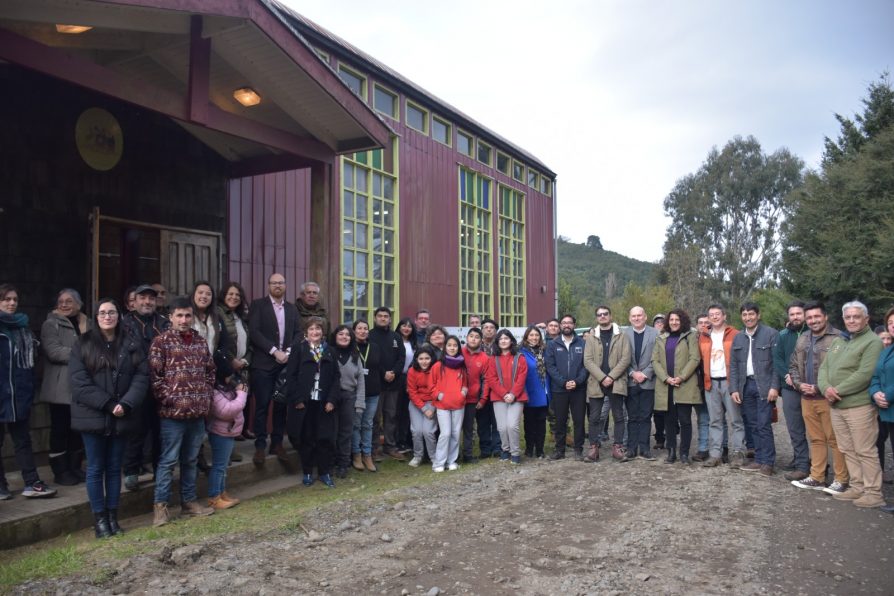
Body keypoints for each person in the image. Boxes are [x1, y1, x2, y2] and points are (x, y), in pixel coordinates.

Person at [70, 298, 148, 537]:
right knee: (95, 468)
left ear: (118, 316)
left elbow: (141, 377)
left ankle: (113, 517)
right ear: (96, 317)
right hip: (92, 416)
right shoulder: (82, 344)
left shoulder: (131, 344)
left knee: (115, 468)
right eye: (102, 312)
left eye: (112, 312)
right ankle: (100, 520)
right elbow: (79, 383)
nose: (107, 316)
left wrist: (125, 404)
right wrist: (108, 404)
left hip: (121, 415)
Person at [149, 296, 216, 526]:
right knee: (168, 461)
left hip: (197, 414)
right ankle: (161, 506)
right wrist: (170, 399)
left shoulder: (199, 342)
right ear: (171, 317)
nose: (184, 320)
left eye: (188, 315)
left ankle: (189, 502)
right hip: (172, 416)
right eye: (179, 315)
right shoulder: (161, 343)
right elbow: (155, 379)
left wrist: (205, 397)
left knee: (190, 461)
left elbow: (210, 372)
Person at [818, 301, 885, 508]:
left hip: (859, 406)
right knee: (847, 448)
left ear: (866, 319)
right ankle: (857, 487)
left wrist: (836, 390)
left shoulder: (872, 342)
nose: (852, 320)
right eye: (848, 317)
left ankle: (874, 493)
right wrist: (826, 388)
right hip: (837, 406)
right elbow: (824, 369)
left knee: (864, 449)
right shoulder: (840, 341)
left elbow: (865, 374)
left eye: (856, 316)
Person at [0, 284, 57, 500]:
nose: (12, 303)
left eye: (14, 299)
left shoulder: (23, 328)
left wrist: (28, 389)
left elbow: (31, 363)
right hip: (1, 393)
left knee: (23, 440)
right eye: (6, 299)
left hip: (20, 394)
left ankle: (32, 482)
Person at [788, 301, 849, 494]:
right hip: (807, 398)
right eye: (810, 318)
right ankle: (817, 477)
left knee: (835, 439)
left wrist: (821, 387)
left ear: (825, 317)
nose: (813, 321)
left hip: (829, 398)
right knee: (815, 439)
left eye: (817, 317)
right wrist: (799, 385)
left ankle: (841, 479)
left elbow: (844, 370)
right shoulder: (803, 339)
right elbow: (793, 366)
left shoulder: (839, 338)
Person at [121, 284, 170, 491]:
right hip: (135, 384)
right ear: (135, 301)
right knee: (135, 430)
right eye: (142, 298)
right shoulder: (125, 323)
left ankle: (160, 469)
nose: (147, 302)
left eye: (151, 298)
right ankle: (131, 470)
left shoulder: (164, 323)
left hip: (161, 385)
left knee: (160, 431)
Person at [40, 288, 89, 486]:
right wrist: (83, 352)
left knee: (76, 429)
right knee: (60, 429)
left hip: (81, 386)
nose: (64, 304)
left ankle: (75, 467)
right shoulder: (51, 324)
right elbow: (54, 352)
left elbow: (96, 348)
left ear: (78, 304)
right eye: (61, 301)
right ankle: (60, 470)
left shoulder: (87, 323)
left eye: (69, 301)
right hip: (60, 387)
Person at [248, 273, 299, 466]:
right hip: (263, 364)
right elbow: (254, 332)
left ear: (285, 286)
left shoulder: (292, 309)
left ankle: (277, 443)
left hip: (285, 365)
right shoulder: (258, 305)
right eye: (274, 283)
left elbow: (298, 333)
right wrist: (274, 351)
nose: (278, 286)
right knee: (261, 406)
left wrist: (287, 351)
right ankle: (260, 445)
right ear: (268, 285)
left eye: (281, 283)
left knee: (281, 406)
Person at [286, 317, 340, 487]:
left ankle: (324, 473)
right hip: (305, 402)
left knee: (325, 438)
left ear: (322, 332)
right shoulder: (298, 349)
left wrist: (332, 399)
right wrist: (298, 399)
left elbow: (335, 378)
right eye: (311, 329)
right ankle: (308, 472)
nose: (315, 332)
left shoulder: (330, 351)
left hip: (324, 403)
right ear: (306, 332)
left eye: (318, 329)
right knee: (307, 438)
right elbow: (291, 376)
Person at [730, 302, 780, 476]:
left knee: (763, 424)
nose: (748, 318)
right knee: (752, 424)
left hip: (764, 385)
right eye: (744, 315)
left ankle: (768, 462)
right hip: (745, 386)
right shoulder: (738, 337)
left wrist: (775, 387)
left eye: (751, 314)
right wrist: (734, 389)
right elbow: (734, 365)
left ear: (758, 315)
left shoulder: (771, 334)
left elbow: (776, 364)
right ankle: (758, 459)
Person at [653, 309, 702, 464]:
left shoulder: (690, 336)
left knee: (685, 420)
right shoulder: (661, 338)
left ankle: (684, 453)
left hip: (685, 384)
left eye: (677, 320)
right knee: (669, 421)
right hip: (666, 385)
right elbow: (655, 361)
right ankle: (671, 451)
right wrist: (666, 378)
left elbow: (695, 358)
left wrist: (681, 377)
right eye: (671, 319)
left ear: (682, 321)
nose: (674, 322)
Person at [583, 306, 632, 462]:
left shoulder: (622, 336)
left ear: (610, 316)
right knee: (594, 417)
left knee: (619, 416)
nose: (602, 316)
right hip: (597, 383)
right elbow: (588, 361)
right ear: (597, 318)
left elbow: (625, 359)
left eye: (605, 314)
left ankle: (617, 447)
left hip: (616, 382)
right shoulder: (591, 338)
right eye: (599, 315)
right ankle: (593, 448)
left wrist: (611, 376)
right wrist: (602, 377)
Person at [699, 304, 745, 468]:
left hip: (729, 382)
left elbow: (741, 360)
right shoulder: (704, 336)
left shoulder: (736, 334)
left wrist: (737, 385)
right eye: (711, 314)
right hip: (711, 383)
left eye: (718, 314)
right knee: (715, 421)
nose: (715, 317)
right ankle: (715, 454)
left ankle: (738, 453)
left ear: (724, 316)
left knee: (736, 420)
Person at [772, 301, 810, 481]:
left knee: (816, 429)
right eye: (792, 314)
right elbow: (777, 359)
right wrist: (787, 376)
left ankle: (817, 464)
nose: (795, 317)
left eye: (798, 313)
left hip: (812, 388)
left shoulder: (812, 334)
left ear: (805, 315)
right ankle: (802, 463)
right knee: (795, 428)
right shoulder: (783, 335)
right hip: (789, 388)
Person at [545, 314, 588, 460]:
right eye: (564, 323)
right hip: (559, 389)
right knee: (560, 420)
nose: (567, 325)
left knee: (579, 420)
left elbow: (586, 366)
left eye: (570, 322)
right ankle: (560, 450)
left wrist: (577, 381)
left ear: (574, 325)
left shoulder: (582, 343)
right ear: (560, 326)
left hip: (579, 389)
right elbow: (550, 367)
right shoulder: (552, 344)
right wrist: (563, 382)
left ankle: (578, 450)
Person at [217, 281, 251, 461]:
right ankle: (224, 453)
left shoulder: (241, 318)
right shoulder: (218, 314)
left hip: (241, 368)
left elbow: (248, 344)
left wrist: (244, 361)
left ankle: (230, 449)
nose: (234, 297)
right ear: (223, 295)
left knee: (236, 412)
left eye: (237, 295)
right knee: (224, 412)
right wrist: (232, 361)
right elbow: (219, 343)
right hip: (225, 369)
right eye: (230, 294)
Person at [205, 370, 246, 509]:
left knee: (222, 467)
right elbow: (227, 410)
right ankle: (214, 497)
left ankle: (221, 493)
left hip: (228, 431)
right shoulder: (215, 391)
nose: (232, 378)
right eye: (229, 375)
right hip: (220, 432)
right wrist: (241, 393)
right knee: (218, 466)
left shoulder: (226, 389)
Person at [369, 307, 407, 461]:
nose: (383, 318)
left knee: (391, 415)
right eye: (380, 316)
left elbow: (402, 358)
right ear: (375, 318)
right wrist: (383, 372)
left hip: (393, 384)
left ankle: (390, 446)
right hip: (376, 384)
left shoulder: (396, 337)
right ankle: (375, 447)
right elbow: (371, 359)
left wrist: (394, 372)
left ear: (390, 319)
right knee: (375, 417)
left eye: (386, 316)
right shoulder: (370, 336)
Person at [486, 329, 528, 464]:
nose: (503, 341)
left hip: (517, 396)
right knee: (502, 427)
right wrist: (504, 394)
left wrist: (513, 394)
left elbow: (522, 378)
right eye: (501, 339)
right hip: (499, 397)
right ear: (497, 342)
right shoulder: (493, 359)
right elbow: (491, 379)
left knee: (512, 425)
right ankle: (505, 449)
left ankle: (515, 452)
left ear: (511, 341)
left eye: (506, 338)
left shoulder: (519, 357)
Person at [329, 325, 365, 475]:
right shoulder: (328, 353)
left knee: (346, 432)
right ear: (335, 336)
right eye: (341, 334)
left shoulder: (355, 356)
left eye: (347, 335)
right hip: (330, 397)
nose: (344, 337)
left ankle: (343, 463)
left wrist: (360, 403)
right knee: (331, 431)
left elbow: (361, 381)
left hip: (349, 397)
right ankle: (330, 462)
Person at [624, 306, 658, 460]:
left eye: (639, 315)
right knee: (632, 417)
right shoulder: (623, 335)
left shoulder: (655, 333)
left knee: (645, 416)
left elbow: (657, 358)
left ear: (645, 317)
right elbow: (620, 359)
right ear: (630, 318)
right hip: (630, 381)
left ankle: (644, 448)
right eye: (634, 316)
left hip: (648, 381)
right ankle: (631, 448)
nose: (637, 318)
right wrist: (632, 372)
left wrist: (645, 374)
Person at [869, 306, 894, 513]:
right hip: (886, 410)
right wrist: (875, 392)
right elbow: (876, 375)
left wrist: (887, 394)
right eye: (891, 323)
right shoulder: (887, 351)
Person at [430, 335, 468, 471]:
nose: (452, 348)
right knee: (445, 433)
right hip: (443, 405)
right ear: (445, 347)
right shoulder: (437, 365)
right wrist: (439, 396)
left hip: (458, 404)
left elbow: (465, 384)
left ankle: (451, 460)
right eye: (449, 345)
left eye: (455, 345)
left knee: (455, 433)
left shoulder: (461, 366)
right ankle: (439, 463)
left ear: (458, 348)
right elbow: (431, 385)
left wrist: (462, 393)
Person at [353, 320, 382, 471]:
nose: (363, 331)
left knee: (368, 424)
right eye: (359, 328)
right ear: (354, 331)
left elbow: (379, 367)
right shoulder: (351, 347)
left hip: (373, 392)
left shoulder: (375, 347)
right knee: (356, 425)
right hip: (357, 392)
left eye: (365, 328)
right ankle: (356, 455)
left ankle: (367, 455)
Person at [520, 326, 550, 459]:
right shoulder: (521, 352)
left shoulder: (545, 351)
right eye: (531, 335)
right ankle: (529, 448)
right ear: (526, 337)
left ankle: (540, 449)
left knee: (541, 423)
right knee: (529, 423)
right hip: (529, 391)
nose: (534, 338)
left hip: (544, 392)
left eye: (536, 335)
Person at [406, 345, 438, 467]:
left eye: (427, 358)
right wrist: (424, 409)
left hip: (432, 403)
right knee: (416, 431)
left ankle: (434, 457)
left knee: (428, 431)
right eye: (421, 359)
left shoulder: (436, 370)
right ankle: (418, 456)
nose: (424, 361)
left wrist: (432, 408)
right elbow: (412, 392)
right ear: (416, 359)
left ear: (432, 359)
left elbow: (439, 389)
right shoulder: (412, 371)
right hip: (416, 404)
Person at [462, 327, 491, 462]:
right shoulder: (459, 352)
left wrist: (483, 399)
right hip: (456, 398)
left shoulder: (484, 358)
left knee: (469, 428)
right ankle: (453, 455)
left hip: (473, 398)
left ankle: (468, 455)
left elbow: (486, 380)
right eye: (471, 336)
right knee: (454, 429)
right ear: (467, 337)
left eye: (477, 337)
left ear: (481, 340)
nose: (473, 339)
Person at [476, 318, 501, 456]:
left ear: (496, 330)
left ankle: (497, 447)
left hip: (498, 388)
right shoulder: (476, 346)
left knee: (497, 420)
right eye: (486, 327)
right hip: (480, 389)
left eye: (492, 327)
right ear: (482, 330)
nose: (489, 329)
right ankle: (485, 449)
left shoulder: (500, 346)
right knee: (483, 421)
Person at [395, 317, 418, 452]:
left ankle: (404, 440)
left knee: (406, 411)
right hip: (397, 378)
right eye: (403, 325)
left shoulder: (413, 343)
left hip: (410, 378)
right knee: (396, 411)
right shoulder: (395, 341)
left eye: (409, 326)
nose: (406, 328)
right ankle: (395, 441)